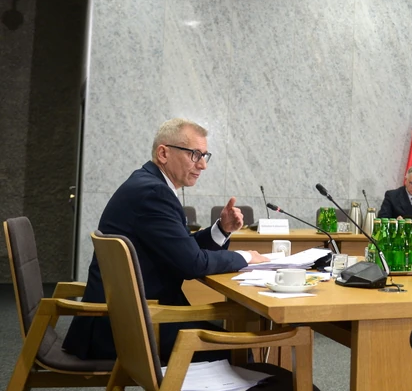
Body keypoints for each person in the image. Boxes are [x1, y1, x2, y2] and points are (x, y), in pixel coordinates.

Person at [63, 118, 270, 361]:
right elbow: (192, 264)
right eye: (195, 154)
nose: (203, 165)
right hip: (133, 327)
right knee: (238, 352)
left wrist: (221, 229)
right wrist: (246, 257)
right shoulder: (154, 193)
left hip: (129, 316)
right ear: (163, 153)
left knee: (231, 341)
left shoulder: (147, 184)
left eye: (205, 155)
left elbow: (181, 249)